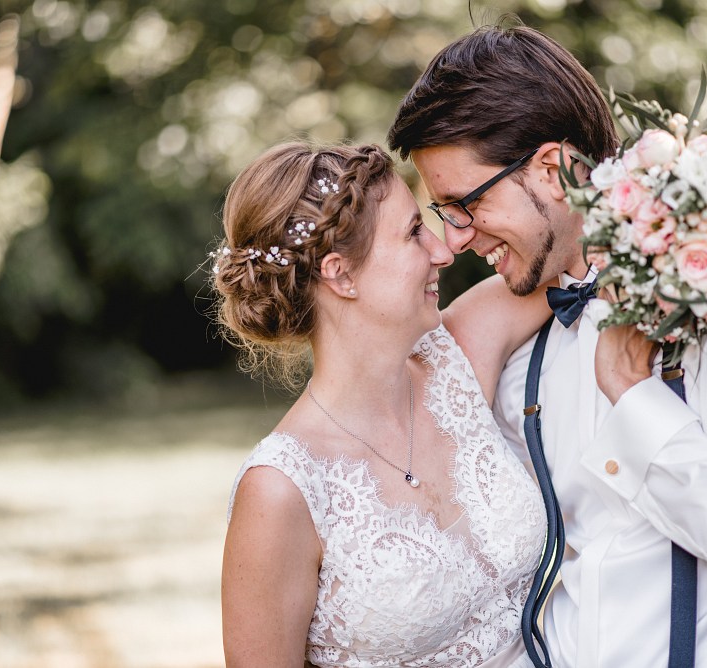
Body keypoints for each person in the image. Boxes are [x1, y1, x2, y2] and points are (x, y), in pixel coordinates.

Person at [388, 21, 707, 667]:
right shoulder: (518, 344)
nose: (456, 238)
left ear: (551, 168)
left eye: (465, 203)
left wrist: (635, 398)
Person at [215, 142, 559, 667]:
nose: (443, 250)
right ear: (340, 274)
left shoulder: (461, 354)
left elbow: (575, 252)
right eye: (413, 233)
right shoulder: (282, 490)